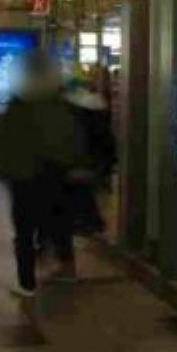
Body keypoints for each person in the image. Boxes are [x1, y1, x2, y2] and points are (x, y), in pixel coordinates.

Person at [0, 52, 88, 297]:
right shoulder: (60, 103)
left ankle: (27, 282)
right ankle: (65, 269)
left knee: (24, 231)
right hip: (56, 175)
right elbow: (73, 138)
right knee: (58, 223)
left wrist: (2, 167)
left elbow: (6, 141)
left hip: (24, 177)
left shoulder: (19, 104)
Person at [64, 72, 116, 238]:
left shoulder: (77, 110)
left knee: (80, 190)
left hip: (84, 157)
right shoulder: (97, 104)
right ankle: (91, 223)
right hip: (96, 156)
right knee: (84, 190)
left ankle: (89, 223)